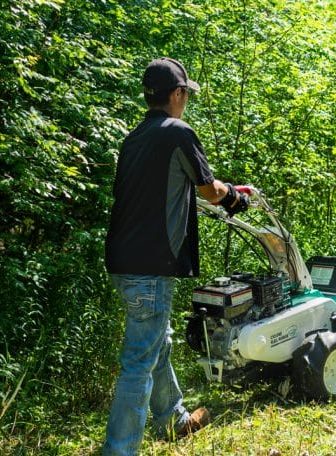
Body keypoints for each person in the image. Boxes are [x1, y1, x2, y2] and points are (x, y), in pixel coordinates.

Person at [103, 57, 249, 455]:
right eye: (187, 94)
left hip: (123, 262)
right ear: (178, 93)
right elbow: (209, 190)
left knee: (156, 342)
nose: (187, 101)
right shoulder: (178, 132)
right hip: (150, 267)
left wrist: (223, 190)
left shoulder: (134, 138)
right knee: (139, 360)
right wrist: (235, 196)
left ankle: (174, 419)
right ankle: (119, 450)